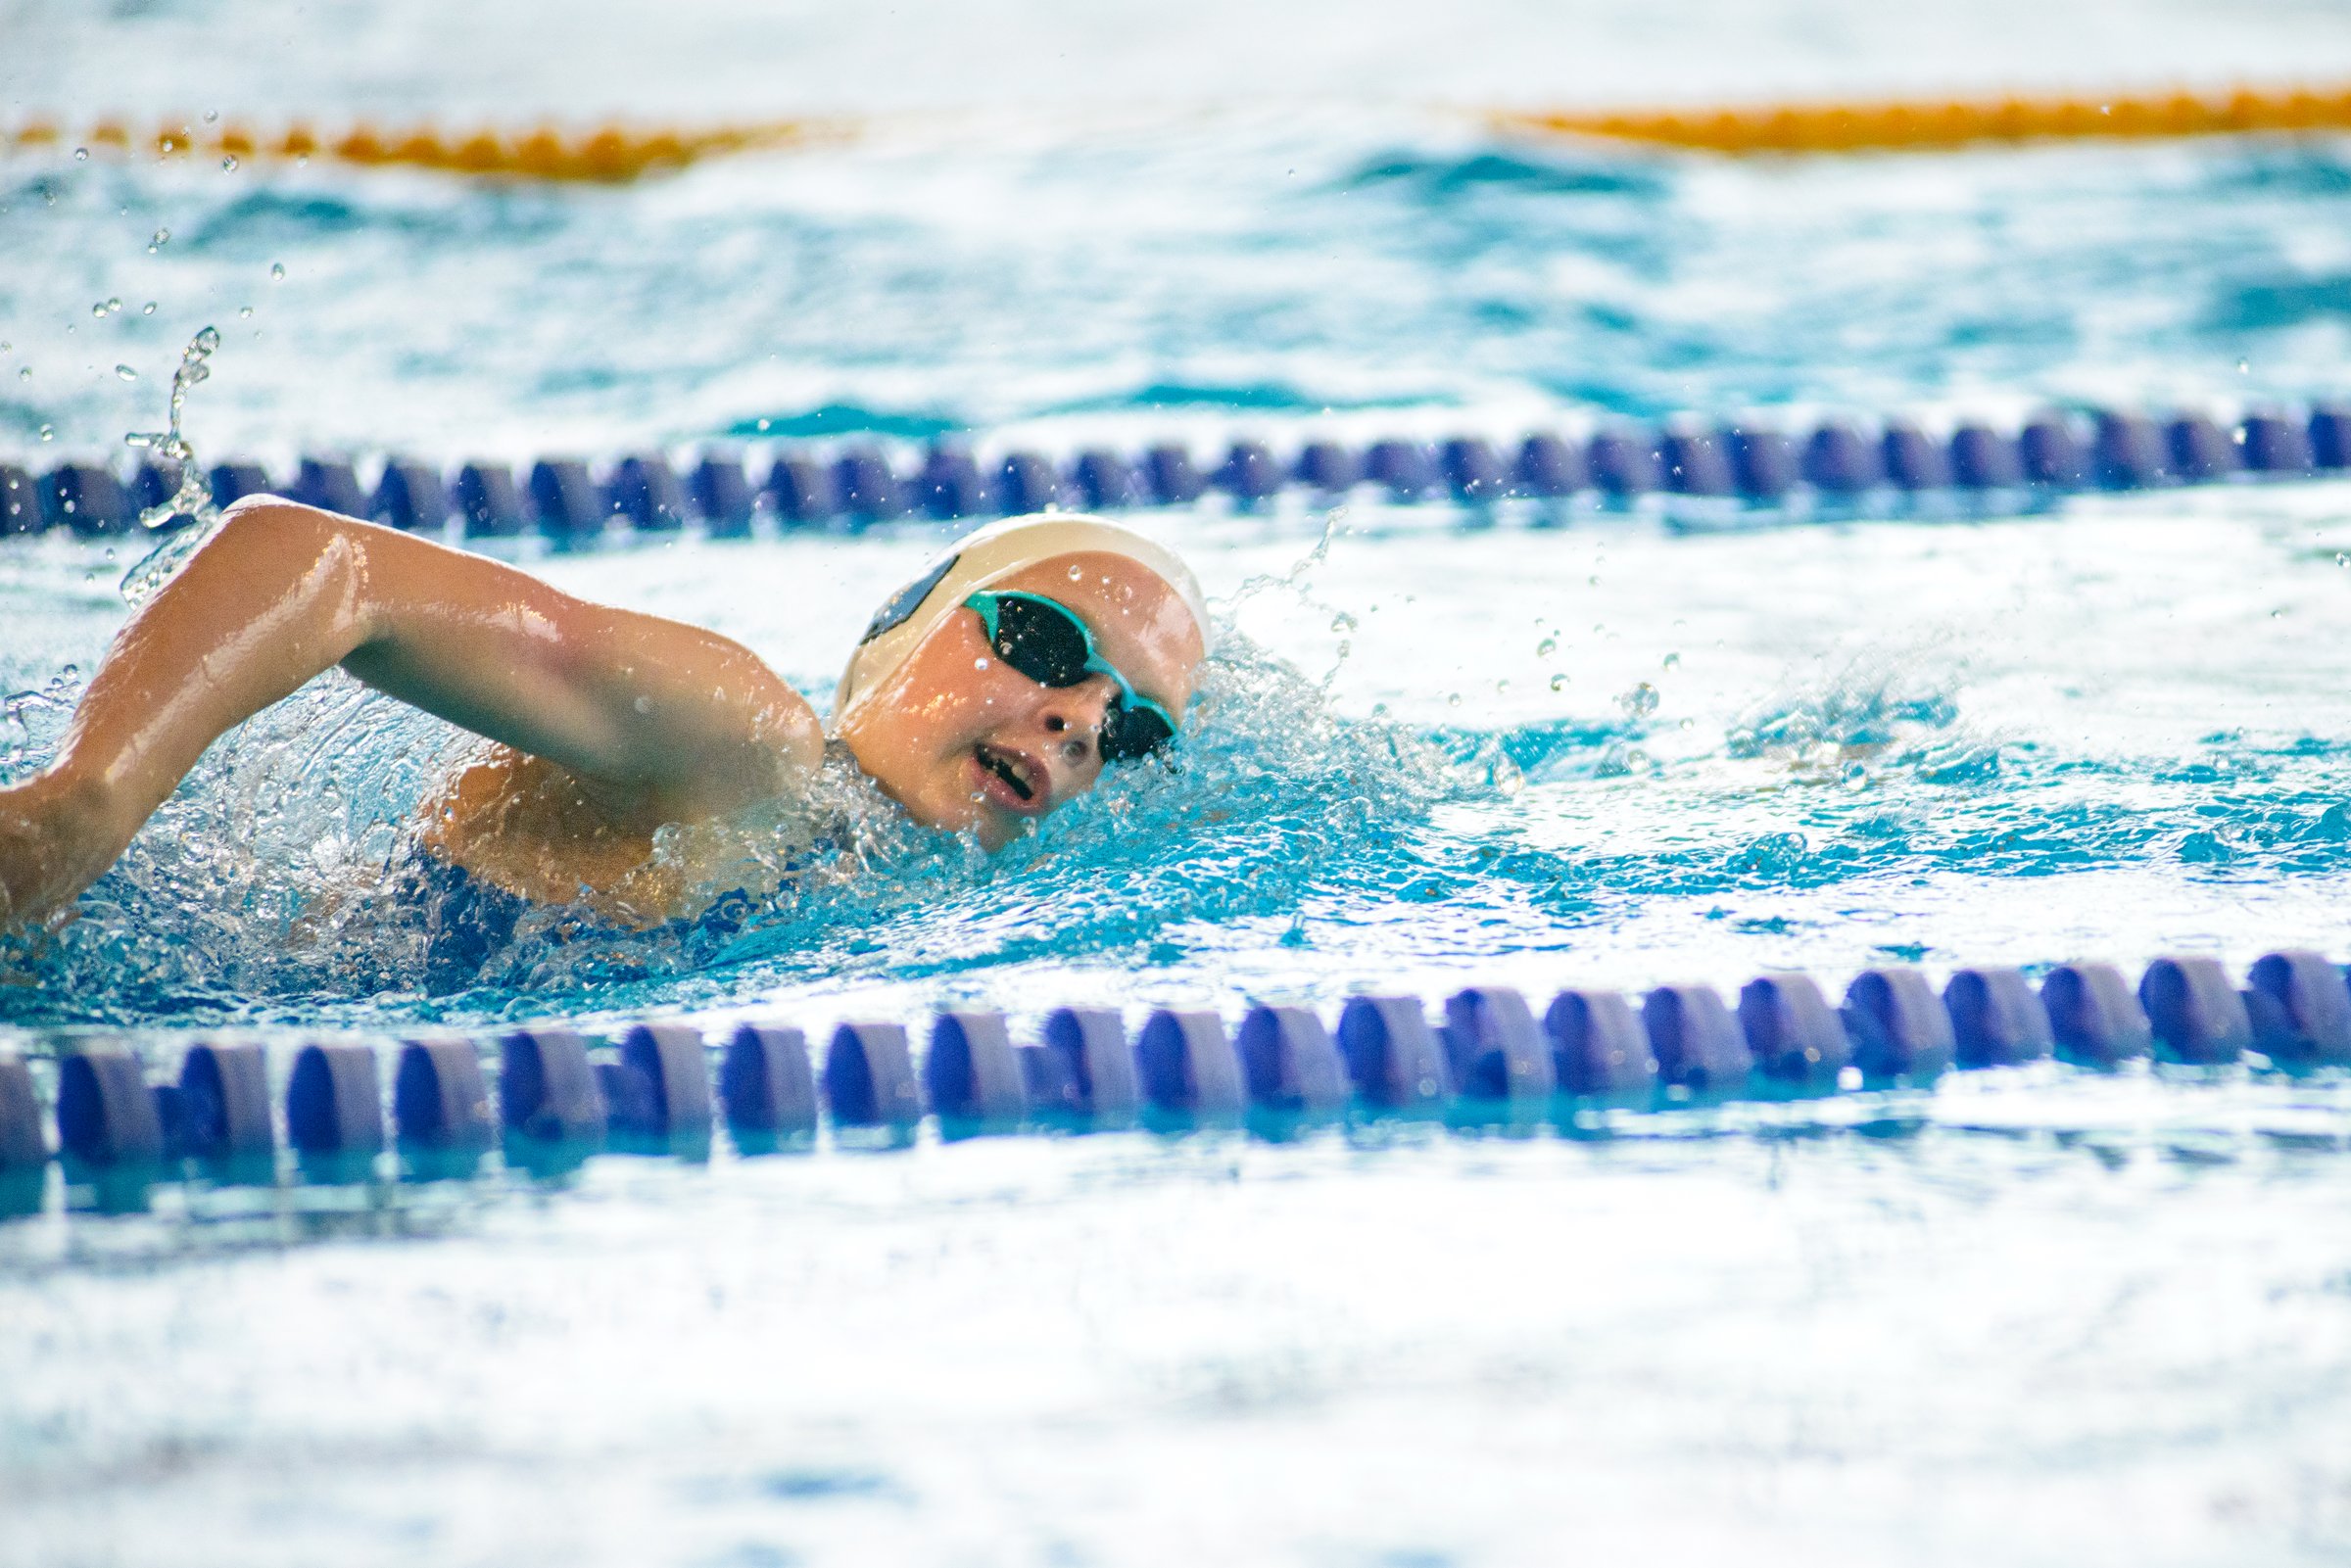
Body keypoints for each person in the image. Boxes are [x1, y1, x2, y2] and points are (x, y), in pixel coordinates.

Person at [0, 499, 1211, 952]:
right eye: (1047, 646)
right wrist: (83, 802)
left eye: (1132, 728)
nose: (1077, 723)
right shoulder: (749, 744)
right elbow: (318, 558)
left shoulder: (913, 902)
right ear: (898, 628)